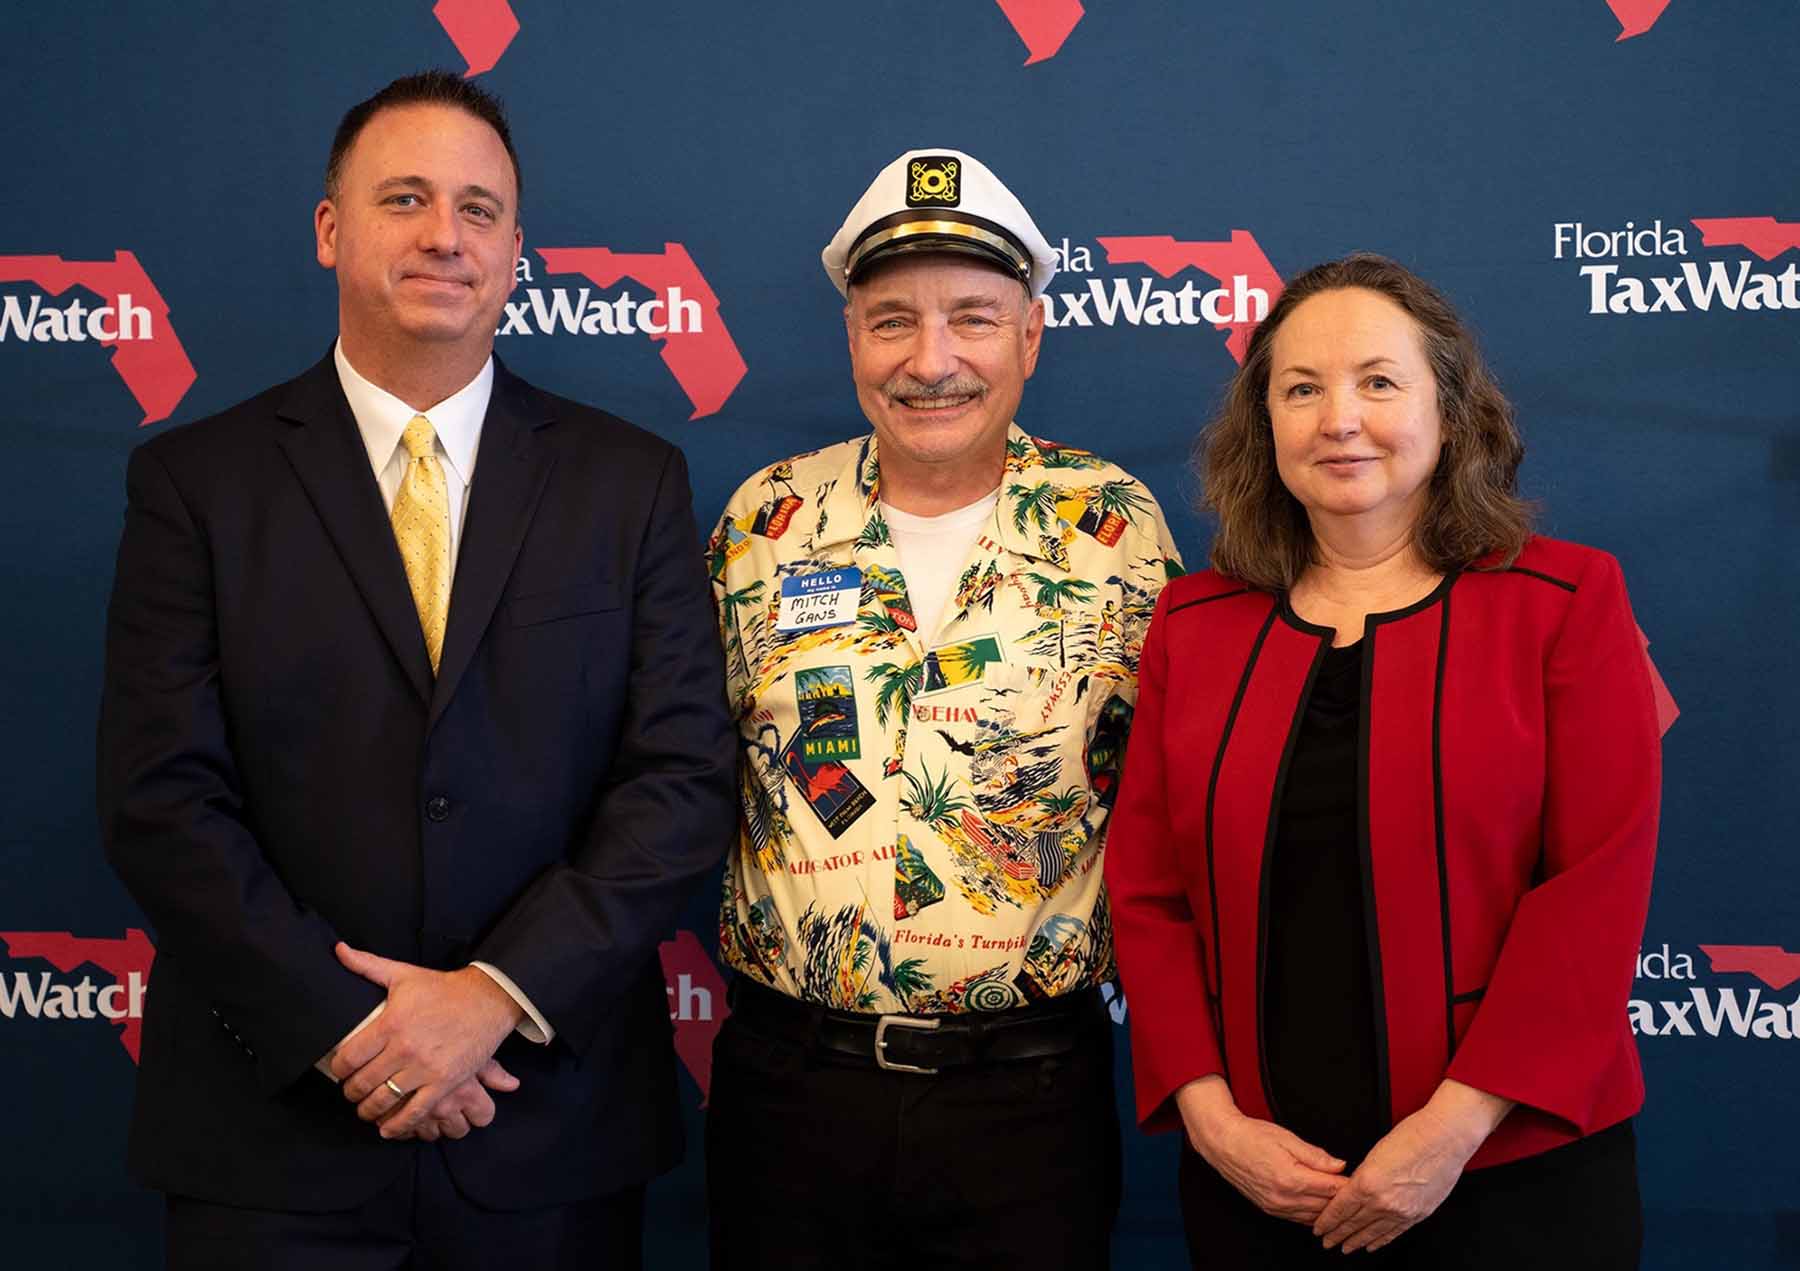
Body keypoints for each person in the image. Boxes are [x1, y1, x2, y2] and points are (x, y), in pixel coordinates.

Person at [96, 71, 734, 1269]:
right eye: (406, 198)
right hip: (271, 1136)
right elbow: (160, 798)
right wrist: (356, 1032)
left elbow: (682, 778)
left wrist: (495, 993)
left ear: (514, 250)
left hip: (549, 1127)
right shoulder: (197, 485)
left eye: (480, 209)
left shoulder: (629, 480)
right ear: (332, 229)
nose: (447, 234)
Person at [1106, 254, 1661, 1268]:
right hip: (1258, 1184)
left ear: (1448, 411)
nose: (1339, 419)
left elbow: (1594, 888)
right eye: (1301, 389)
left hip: (1513, 1177)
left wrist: (1447, 1132)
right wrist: (1214, 1119)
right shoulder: (1195, 623)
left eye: (1378, 381)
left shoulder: (1566, 603)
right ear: (1262, 424)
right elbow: (1147, 895)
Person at [704, 148, 1182, 1269]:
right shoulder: (764, 518)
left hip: (1026, 1103)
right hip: (790, 1094)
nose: (932, 361)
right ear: (851, 339)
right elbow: (669, 765)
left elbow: (1172, 796)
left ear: (1030, 336)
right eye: (891, 322)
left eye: (972, 318)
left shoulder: (1113, 525)